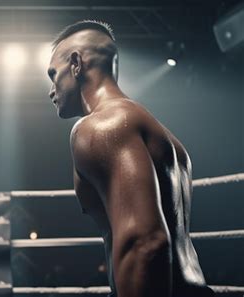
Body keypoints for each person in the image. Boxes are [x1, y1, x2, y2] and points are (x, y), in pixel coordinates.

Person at [47, 20, 214, 297]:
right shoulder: (163, 136)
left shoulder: (101, 127)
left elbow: (145, 242)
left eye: (54, 74)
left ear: (76, 64)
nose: (51, 90)